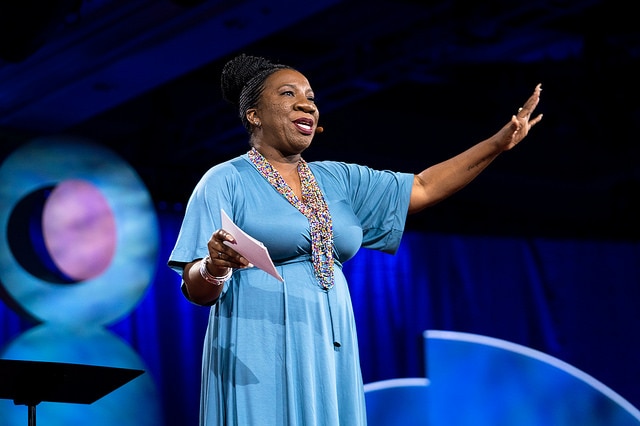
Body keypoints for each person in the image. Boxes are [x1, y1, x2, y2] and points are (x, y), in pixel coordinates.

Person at [168, 53, 543, 425]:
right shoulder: (225, 180)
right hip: (257, 348)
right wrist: (215, 266)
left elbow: (425, 187)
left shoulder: (338, 179)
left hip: (328, 345)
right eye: (287, 94)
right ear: (254, 115)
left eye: (311, 97)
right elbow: (198, 290)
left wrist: (497, 144)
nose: (306, 104)